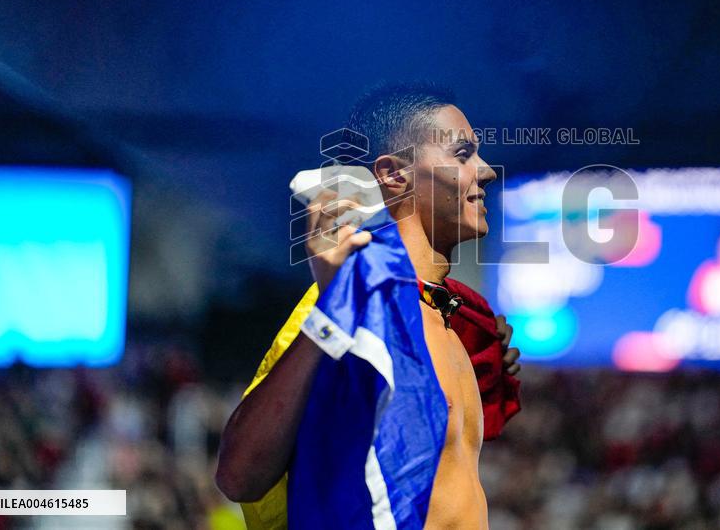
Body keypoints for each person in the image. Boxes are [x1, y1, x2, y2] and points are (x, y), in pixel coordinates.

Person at [215, 82, 521, 529]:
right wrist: (332, 313)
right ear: (395, 174)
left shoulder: (447, 318)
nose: (487, 171)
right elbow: (239, 475)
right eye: (462, 154)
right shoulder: (357, 300)